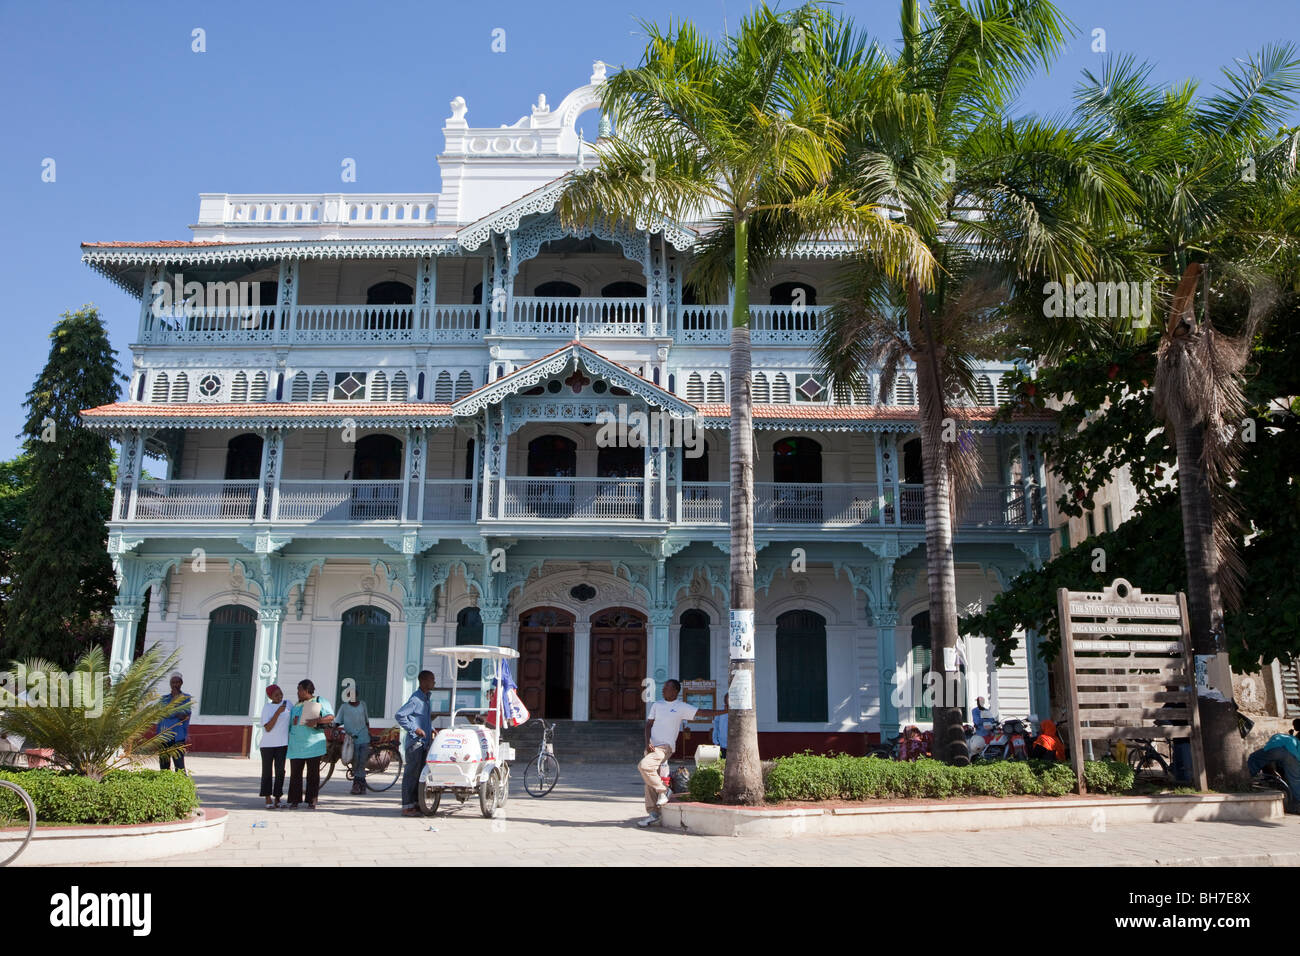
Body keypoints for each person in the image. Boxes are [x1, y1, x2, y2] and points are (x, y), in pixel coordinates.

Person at [638, 679, 724, 828]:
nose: (663, 690)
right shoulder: (657, 705)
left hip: (665, 747)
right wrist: (647, 742)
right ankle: (653, 814)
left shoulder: (681, 707)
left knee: (644, 766)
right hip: (651, 747)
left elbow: (703, 712)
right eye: (663, 687)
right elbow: (648, 725)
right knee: (649, 779)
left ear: (675, 691)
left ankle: (664, 791)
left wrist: (726, 711)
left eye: (667, 688)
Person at [286, 679, 334, 810]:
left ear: (307, 690)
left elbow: (330, 716)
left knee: (313, 774)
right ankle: (294, 800)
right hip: (296, 745)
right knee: (295, 774)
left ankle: (312, 800)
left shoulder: (319, 700)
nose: (298, 692)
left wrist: (317, 720)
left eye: (299, 689)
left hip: (313, 745)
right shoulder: (296, 705)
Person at [397, 670, 438, 817]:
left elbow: (423, 719)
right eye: (432, 679)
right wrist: (415, 729)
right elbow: (400, 715)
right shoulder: (416, 699)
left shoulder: (426, 698)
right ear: (424, 681)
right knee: (411, 776)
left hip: (424, 743)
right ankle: (407, 806)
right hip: (415, 744)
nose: (434, 682)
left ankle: (416, 804)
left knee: (420, 776)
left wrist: (432, 729)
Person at [1248, 718, 1300, 809]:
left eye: (1295, 725)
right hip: (1292, 756)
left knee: (1254, 757)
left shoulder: (1284, 737)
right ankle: (1297, 803)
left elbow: (1270, 750)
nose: (1295, 727)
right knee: (1295, 780)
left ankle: (1248, 776)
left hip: (1278, 750)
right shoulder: (1293, 738)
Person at [335, 685, 372, 794]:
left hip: (364, 737)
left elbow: (366, 720)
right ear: (347, 696)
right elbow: (338, 721)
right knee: (355, 762)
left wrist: (369, 732)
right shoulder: (344, 707)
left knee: (362, 762)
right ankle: (360, 784)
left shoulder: (363, 705)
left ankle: (357, 785)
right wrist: (333, 727)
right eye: (349, 695)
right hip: (352, 740)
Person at [259, 685, 291, 808]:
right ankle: (267, 797)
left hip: (282, 743)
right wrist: (277, 713)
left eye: (281, 693)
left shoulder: (288, 704)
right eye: (276, 695)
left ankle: (278, 797)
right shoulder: (267, 708)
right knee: (267, 771)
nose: (280, 696)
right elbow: (268, 728)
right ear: (270, 697)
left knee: (280, 771)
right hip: (267, 745)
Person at [156, 673, 193, 773]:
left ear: (181, 683)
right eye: (173, 682)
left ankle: (181, 785)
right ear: (170, 684)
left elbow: (183, 715)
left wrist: (174, 704)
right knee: (164, 764)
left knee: (179, 764)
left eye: (177, 682)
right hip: (164, 735)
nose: (175, 685)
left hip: (178, 736)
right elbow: (160, 714)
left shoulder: (186, 698)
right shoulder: (164, 699)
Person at [711, 694, 730, 758]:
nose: (727, 700)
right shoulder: (720, 711)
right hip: (722, 744)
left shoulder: (737, 711)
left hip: (734, 745)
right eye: (726, 698)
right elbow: (716, 726)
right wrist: (715, 741)